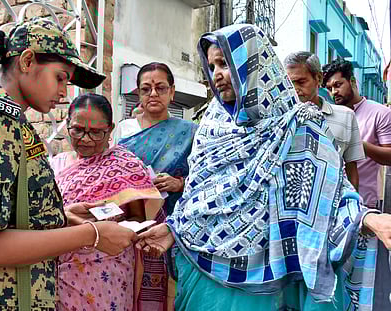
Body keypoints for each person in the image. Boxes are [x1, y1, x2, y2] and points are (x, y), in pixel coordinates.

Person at [137, 24, 391, 311]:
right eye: (211, 66)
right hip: (205, 274)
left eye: (225, 63)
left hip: (268, 283)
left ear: (255, 65)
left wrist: (367, 219)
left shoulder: (298, 127)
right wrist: (172, 230)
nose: (217, 73)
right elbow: (199, 200)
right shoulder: (211, 126)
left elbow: (327, 195)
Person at [0, 18, 136, 310]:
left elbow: (6, 214)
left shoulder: (4, 119)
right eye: (60, 77)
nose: (64, 92)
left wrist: (58, 215)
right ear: (27, 61)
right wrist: (91, 235)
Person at [53, 93, 163, 311]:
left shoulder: (125, 165)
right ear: (67, 125)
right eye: (77, 130)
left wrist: (102, 224)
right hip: (61, 268)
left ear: (110, 130)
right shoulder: (57, 164)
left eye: (95, 133)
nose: (85, 139)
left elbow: (138, 219)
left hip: (107, 272)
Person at [114, 62, 198, 310]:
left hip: (173, 227)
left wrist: (179, 183)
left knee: (170, 294)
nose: (153, 94)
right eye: (146, 89)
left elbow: (205, 180)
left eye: (160, 88)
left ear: (172, 92)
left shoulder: (190, 132)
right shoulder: (124, 132)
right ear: (138, 93)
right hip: (130, 224)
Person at [284, 51, 364, 190]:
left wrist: (353, 204)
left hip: (332, 201)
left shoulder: (346, 116)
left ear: (319, 78)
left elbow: (351, 169)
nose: (295, 89)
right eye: (290, 83)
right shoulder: (280, 119)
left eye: (301, 82)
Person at [322, 58, 391, 208]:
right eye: (329, 88)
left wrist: (357, 144)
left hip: (364, 202)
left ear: (352, 81)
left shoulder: (380, 113)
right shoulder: (327, 116)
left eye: (338, 85)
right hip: (331, 203)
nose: (334, 92)